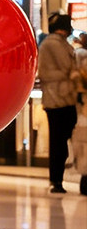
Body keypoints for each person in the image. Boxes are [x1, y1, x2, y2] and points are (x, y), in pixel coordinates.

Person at [37, 13, 78, 194]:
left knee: (59, 142)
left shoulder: (55, 43)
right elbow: (67, 67)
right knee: (59, 143)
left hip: (59, 100)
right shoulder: (55, 44)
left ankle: (57, 179)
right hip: (59, 100)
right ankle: (56, 180)